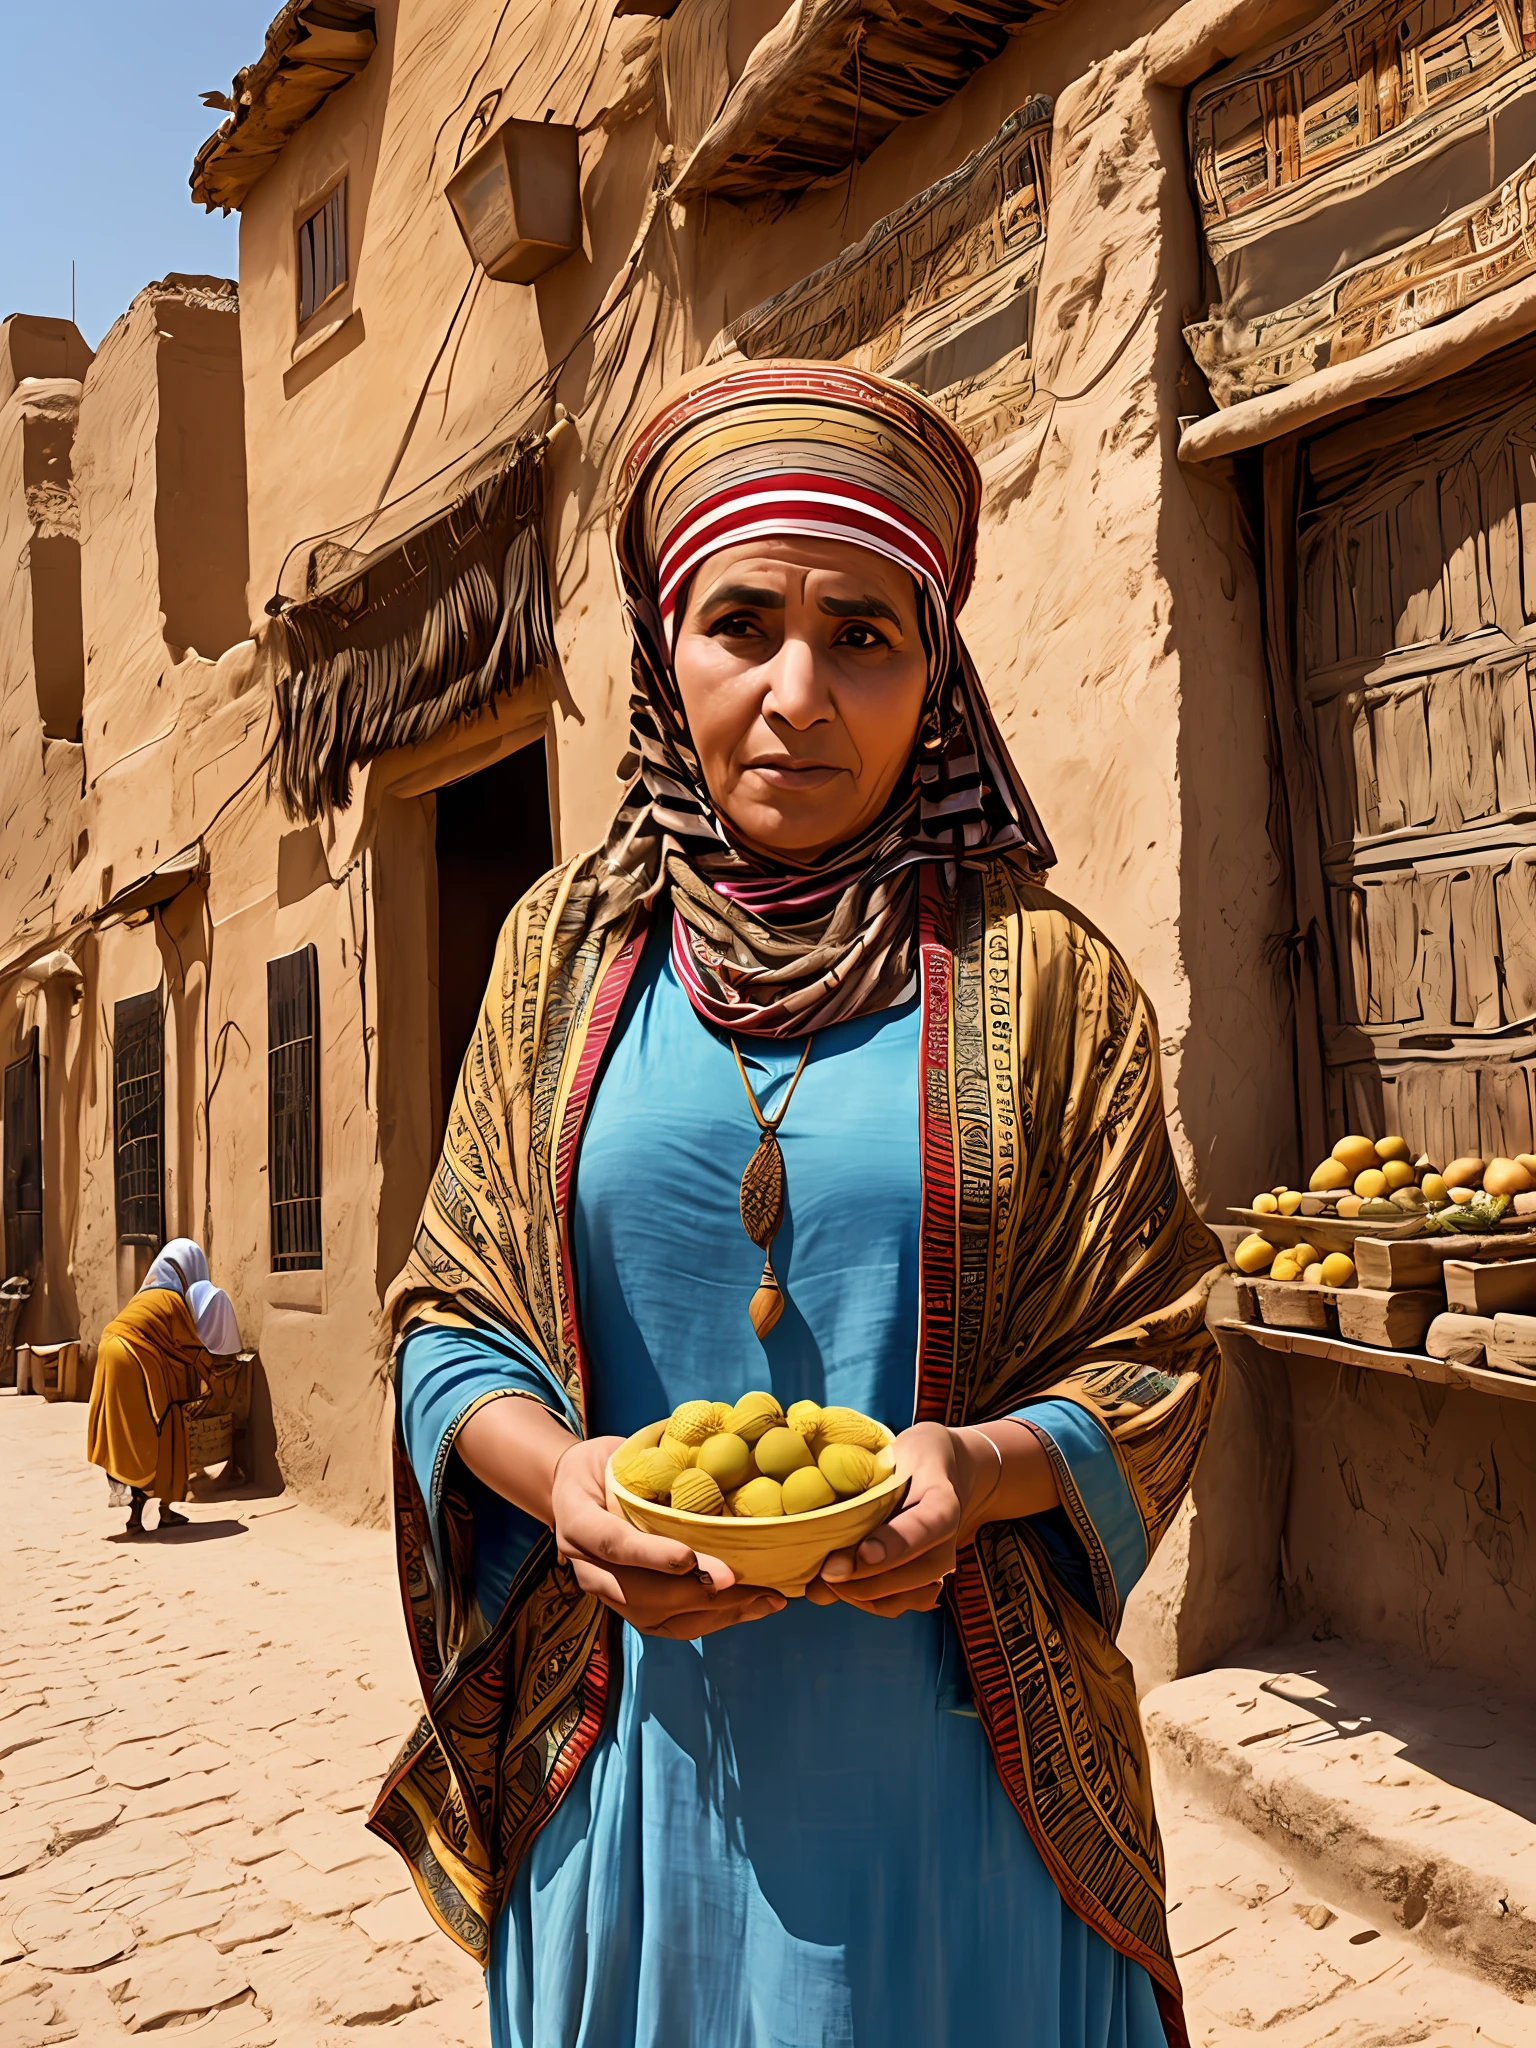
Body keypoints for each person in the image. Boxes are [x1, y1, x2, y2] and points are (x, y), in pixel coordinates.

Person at [369, 363, 1224, 2048]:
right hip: (628, 1786)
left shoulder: (1043, 984)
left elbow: (1159, 1340)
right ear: (662, 646)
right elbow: (444, 1320)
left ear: (934, 673)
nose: (796, 693)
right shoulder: (563, 961)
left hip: (962, 1800)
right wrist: (572, 1482)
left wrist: (979, 1466)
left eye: (864, 634)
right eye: (742, 622)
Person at [86, 1238, 238, 1534]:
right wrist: (216, 1380)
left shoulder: (145, 1295)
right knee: (170, 1426)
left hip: (110, 1355)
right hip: (133, 1360)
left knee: (124, 1440)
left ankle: (133, 1516)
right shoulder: (173, 1301)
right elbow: (191, 1350)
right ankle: (167, 1510)